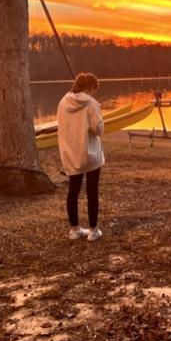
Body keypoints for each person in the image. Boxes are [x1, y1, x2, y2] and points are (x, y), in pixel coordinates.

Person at [57, 72, 105, 242]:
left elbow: (61, 126)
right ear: (89, 87)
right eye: (93, 90)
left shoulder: (63, 102)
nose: (93, 94)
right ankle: (93, 230)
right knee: (92, 191)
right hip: (90, 153)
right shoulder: (91, 103)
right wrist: (99, 116)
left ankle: (75, 229)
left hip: (70, 153)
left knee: (73, 190)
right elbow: (98, 129)